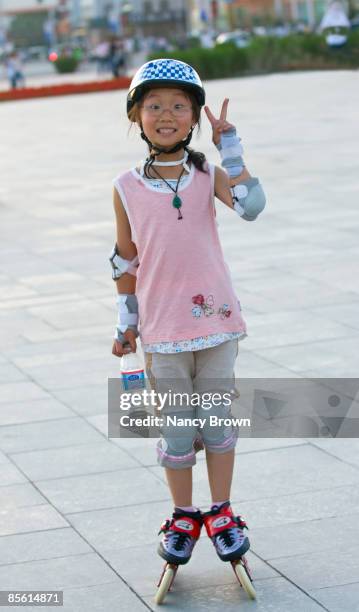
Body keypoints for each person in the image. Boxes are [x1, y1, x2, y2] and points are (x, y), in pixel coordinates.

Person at [109, 59, 266, 566]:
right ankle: (183, 515)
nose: (167, 115)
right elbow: (124, 259)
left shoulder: (205, 174)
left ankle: (221, 511)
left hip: (217, 324)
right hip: (162, 329)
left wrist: (232, 146)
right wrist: (124, 323)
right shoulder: (125, 186)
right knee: (176, 427)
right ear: (137, 117)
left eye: (180, 106)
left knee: (217, 421)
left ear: (195, 116)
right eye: (154, 106)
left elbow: (252, 206)